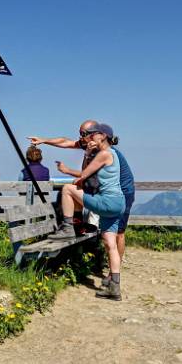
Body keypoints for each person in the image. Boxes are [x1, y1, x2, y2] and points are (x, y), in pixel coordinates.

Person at [28, 121, 135, 291]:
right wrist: (44, 140)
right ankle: (77, 227)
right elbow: (66, 142)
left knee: (119, 234)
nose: (81, 137)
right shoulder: (93, 145)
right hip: (107, 194)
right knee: (108, 238)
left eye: (84, 134)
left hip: (123, 192)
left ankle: (112, 274)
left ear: (96, 134)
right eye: (80, 133)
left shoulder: (103, 151)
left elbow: (85, 174)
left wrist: (69, 170)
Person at [46, 125, 126, 301]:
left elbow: (83, 175)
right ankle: (114, 286)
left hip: (107, 201)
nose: (89, 138)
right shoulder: (113, 154)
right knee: (109, 243)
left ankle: (67, 227)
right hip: (118, 203)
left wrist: (87, 155)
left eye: (92, 134)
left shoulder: (104, 154)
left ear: (102, 136)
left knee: (67, 189)